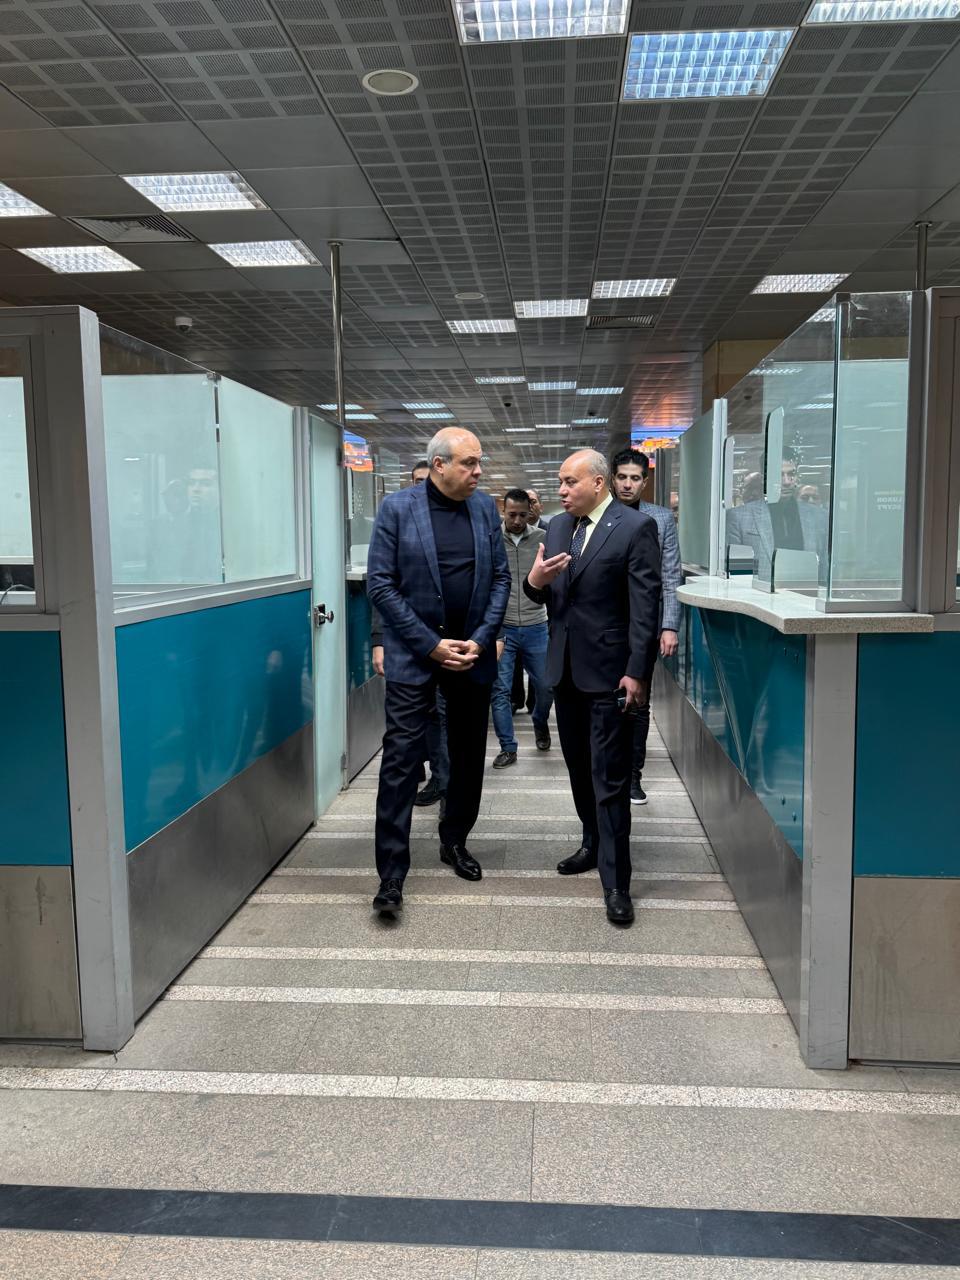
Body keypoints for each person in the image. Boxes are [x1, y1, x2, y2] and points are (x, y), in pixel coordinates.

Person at [366, 428, 510, 915]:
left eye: (479, 462)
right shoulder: (397, 508)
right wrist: (430, 645)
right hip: (415, 655)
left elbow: (501, 579)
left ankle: (455, 841)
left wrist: (481, 638)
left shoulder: (484, 508)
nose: (478, 471)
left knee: (467, 758)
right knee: (401, 761)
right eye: (469, 463)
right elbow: (381, 585)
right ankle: (391, 873)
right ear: (439, 465)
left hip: (470, 653)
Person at [524, 450, 661, 926]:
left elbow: (646, 606)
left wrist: (638, 671)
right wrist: (535, 580)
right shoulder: (560, 527)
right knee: (580, 770)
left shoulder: (635, 528)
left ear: (598, 483)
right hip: (565, 671)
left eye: (569, 482)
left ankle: (617, 882)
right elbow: (544, 592)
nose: (561, 490)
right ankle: (591, 842)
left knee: (610, 780)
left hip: (610, 673)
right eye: (560, 482)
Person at [371, 458, 448, 808]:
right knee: (404, 729)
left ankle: (442, 780)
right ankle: (415, 770)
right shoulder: (396, 515)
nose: (423, 486)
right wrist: (378, 642)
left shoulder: (452, 520)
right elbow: (381, 588)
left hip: (446, 644)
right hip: (404, 645)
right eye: (417, 480)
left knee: (439, 718)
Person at [610, 449, 682, 805]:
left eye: (635, 478)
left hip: (646, 625)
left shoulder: (661, 519)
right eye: (622, 477)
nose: (628, 484)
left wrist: (669, 626)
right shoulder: (601, 514)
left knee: (638, 701)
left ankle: (633, 777)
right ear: (612, 479)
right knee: (605, 699)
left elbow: (671, 574)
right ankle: (608, 772)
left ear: (644, 481)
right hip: (606, 624)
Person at [490, 489, 553, 768]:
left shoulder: (543, 538)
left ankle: (540, 721)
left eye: (522, 515)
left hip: (536, 624)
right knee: (500, 690)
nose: (517, 521)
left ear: (531, 512)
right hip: (502, 628)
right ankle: (508, 747)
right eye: (512, 514)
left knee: (546, 686)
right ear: (503, 511)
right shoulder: (492, 539)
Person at [726, 456, 827, 581]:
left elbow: (823, 572)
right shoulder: (739, 517)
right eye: (780, 475)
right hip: (759, 592)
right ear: (765, 478)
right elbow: (738, 576)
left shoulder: (818, 517)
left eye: (791, 474)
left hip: (805, 591)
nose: (787, 481)